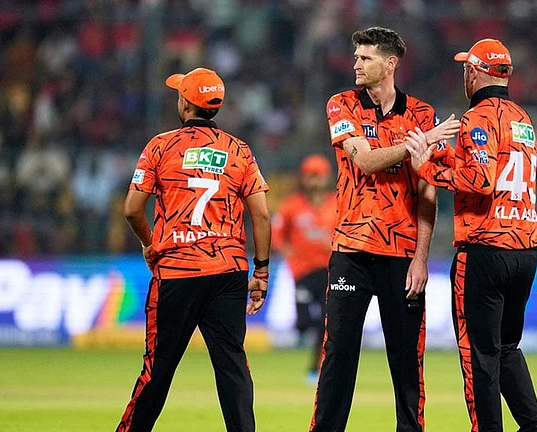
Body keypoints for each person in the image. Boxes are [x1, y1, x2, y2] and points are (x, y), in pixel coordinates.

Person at [310, 26, 461, 432]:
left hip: (402, 258)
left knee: (407, 365)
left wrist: (422, 258)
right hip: (351, 252)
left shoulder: (422, 114)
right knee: (338, 357)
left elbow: (428, 190)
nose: (356, 64)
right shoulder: (341, 105)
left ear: (390, 63)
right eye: (356, 56)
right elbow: (364, 161)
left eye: (366, 57)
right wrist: (422, 141)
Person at [405, 39, 537, 432]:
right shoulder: (523, 119)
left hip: (484, 248)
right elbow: (493, 170)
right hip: (524, 247)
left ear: (475, 72)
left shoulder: (477, 118)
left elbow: (479, 181)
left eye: (466, 68)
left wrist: (424, 168)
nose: (463, 74)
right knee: (506, 348)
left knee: (478, 356)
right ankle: (534, 428)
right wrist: (438, 151)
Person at [117, 68, 271, 432]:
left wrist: (149, 243)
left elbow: (131, 209)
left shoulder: (160, 145)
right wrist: (261, 271)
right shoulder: (239, 150)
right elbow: (262, 216)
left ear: (185, 101)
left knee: (157, 371)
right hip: (228, 273)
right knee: (233, 368)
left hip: (176, 271)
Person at [272, 154, 338, 384]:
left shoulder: (337, 204)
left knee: (325, 322)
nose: (314, 181)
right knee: (303, 322)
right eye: (310, 176)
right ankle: (311, 352)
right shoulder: (292, 206)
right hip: (303, 271)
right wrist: (287, 251)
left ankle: (315, 367)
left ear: (327, 177)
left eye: (318, 176)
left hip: (331, 271)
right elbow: (277, 233)